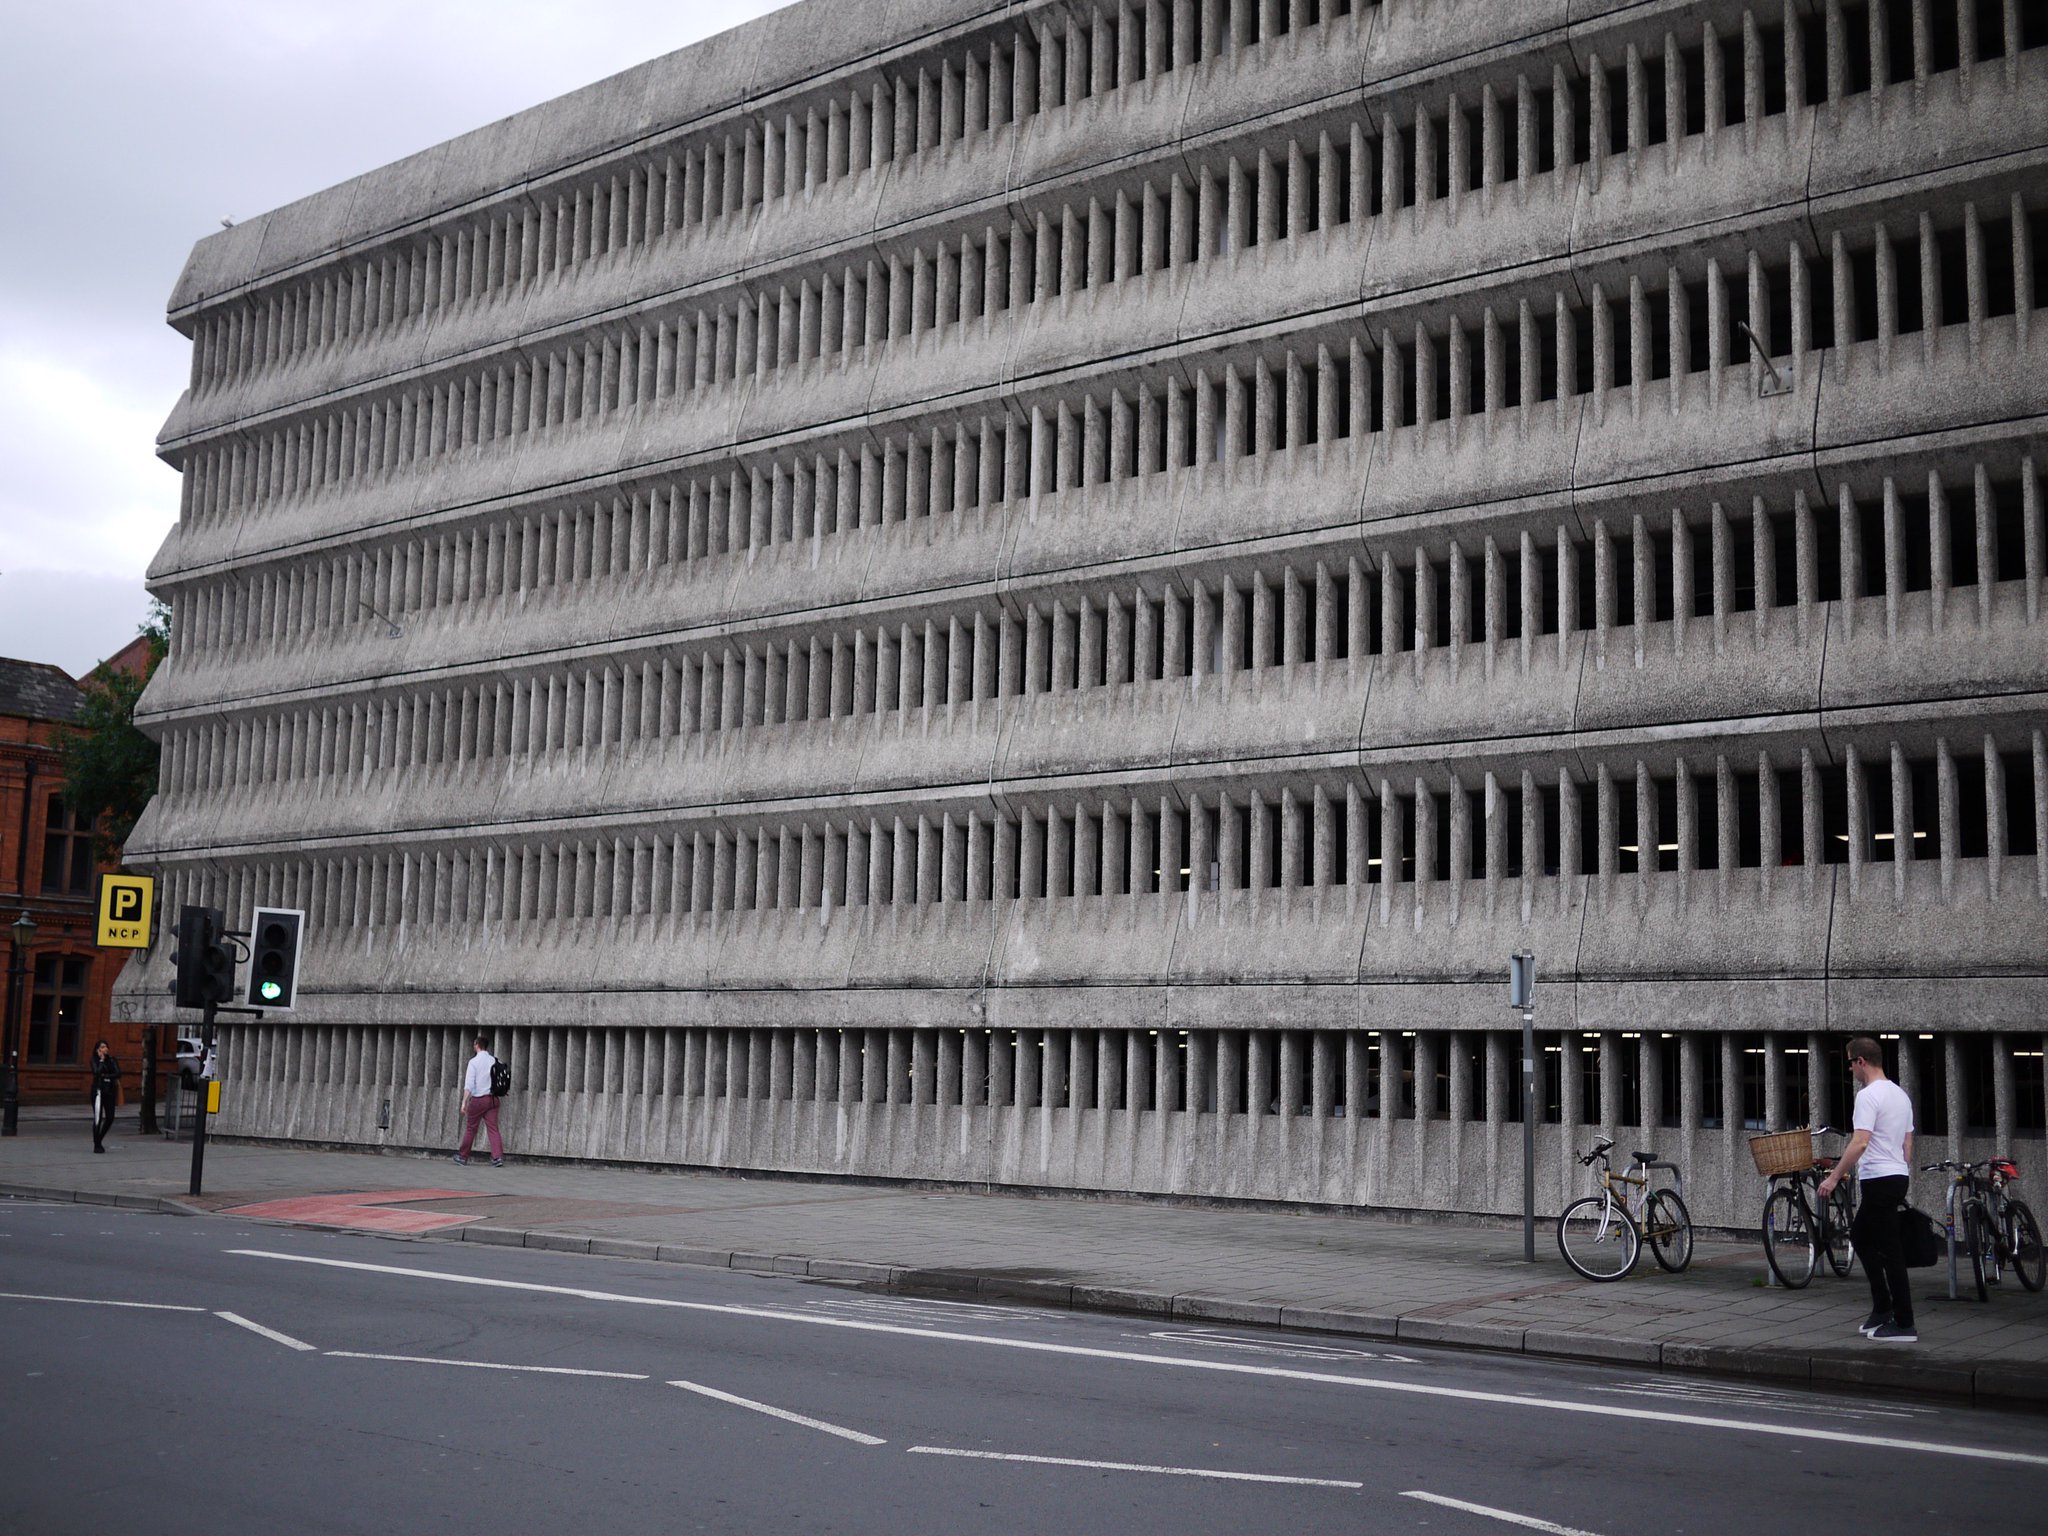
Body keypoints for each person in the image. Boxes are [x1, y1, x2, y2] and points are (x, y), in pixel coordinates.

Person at [1818, 1036, 1916, 1343]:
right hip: (1896, 1175)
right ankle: (1882, 1308)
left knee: (1890, 1251)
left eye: (1849, 1063)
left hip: (1879, 1180)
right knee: (1861, 1236)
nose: (1849, 1070)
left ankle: (1903, 1323)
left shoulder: (1868, 1095)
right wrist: (1900, 1166)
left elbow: (1860, 1141)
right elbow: (1907, 1141)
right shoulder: (1900, 1095)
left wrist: (1834, 1177)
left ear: (1861, 1061)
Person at [453, 1033, 503, 1167]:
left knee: (471, 1128)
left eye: (474, 1044)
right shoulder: (494, 1060)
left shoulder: (473, 1062)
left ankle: (463, 1157)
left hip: (479, 1099)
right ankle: (497, 1157)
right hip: (493, 1100)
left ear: (477, 1045)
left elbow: (469, 1085)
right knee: (493, 1129)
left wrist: (464, 1102)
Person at [88, 1040, 121, 1153]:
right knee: (98, 1117)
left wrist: (105, 1075)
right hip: (98, 1092)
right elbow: (96, 1073)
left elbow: (118, 1073)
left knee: (110, 1117)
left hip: (109, 1092)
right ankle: (97, 1145)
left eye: (106, 1046)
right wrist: (101, 1061)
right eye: (102, 1047)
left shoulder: (112, 1060)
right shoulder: (94, 1060)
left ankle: (99, 1138)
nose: (105, 1048)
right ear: (98, 1049)